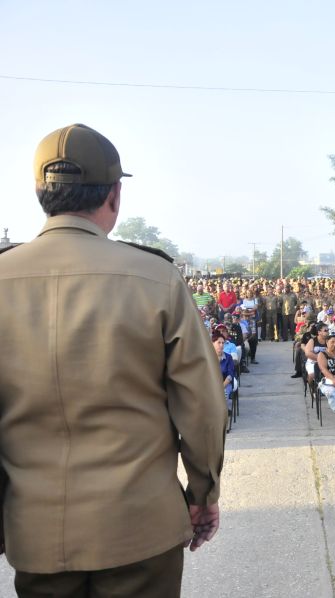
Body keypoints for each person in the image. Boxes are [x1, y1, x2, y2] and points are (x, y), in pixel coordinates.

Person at [0, 124, 225, 596]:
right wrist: (202, 494)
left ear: (41, 193)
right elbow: (202, 407)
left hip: (35, 532)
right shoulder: (155, 277)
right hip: (140, 530)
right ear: (115, 196)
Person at [212, 329, 236, 422]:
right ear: (213, 343)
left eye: (223, 343)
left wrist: (221, 386)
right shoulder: (208, 358)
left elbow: (230, 375)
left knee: (224, 394)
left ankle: (222, 420)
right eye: (219, 343)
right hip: (211, 384)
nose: (221, 345)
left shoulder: (228, 357)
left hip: (225, 384)